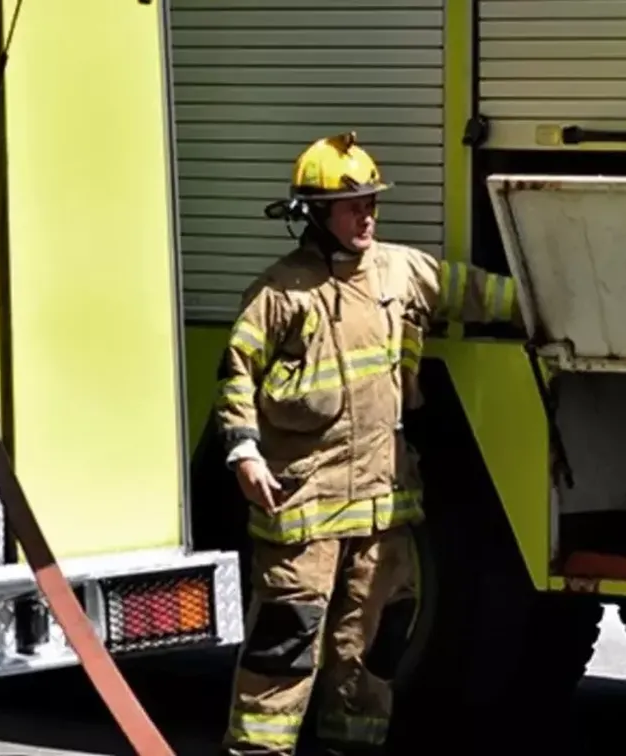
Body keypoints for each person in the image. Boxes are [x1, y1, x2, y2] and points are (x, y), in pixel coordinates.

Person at [214, 132, 522, 756]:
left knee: (373, 646)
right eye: (353, 206)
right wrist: (244, 450)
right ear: (315, 214)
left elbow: (476, 293)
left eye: (371, 203)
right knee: (286, 646)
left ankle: (349, 747)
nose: (367, 216)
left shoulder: (400, 270)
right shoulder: (280, 293)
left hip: (383, 509)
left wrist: (547, 301)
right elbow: (235, 374)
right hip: (305, 508)